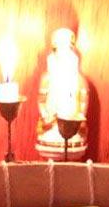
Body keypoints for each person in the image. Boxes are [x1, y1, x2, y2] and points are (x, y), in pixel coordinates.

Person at [36, 28, 89, 161]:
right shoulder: (48, 78)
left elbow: (83, 101)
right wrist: (46, 117)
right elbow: (41, 100)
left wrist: (80, 118)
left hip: (72, 128)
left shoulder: (78, 79)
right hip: (52, 125)